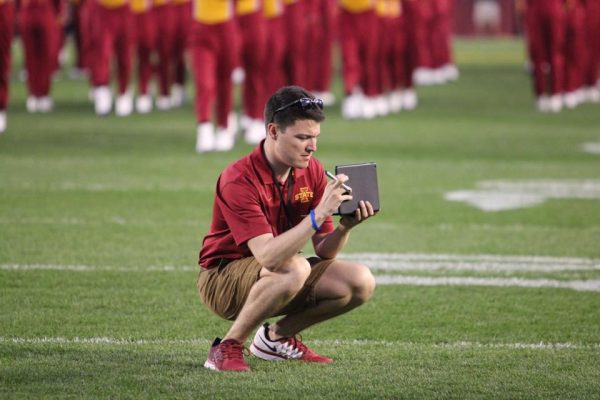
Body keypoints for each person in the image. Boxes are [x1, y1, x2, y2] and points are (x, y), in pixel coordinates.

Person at [197, 86, 377, 372]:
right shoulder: (239, 179)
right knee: (294, 268)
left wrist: (345, 227)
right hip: (222, 277)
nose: (312, 147)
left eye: (315, 137)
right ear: (273, 131)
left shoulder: (313, 171)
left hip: (272, 271)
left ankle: (275, 339)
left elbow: (324, 251)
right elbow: (269, 256)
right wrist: (318, 215)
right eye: (303, 137)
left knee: (360, 281)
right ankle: (226, 347)